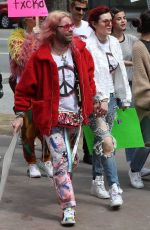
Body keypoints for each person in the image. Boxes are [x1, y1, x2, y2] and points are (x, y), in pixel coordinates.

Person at [12, 10, 96, 226]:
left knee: (71, 162)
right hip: (51, 118)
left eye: (71, 26)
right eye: (65, 27)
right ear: (53, 30)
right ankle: (68, 207)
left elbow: (89, 77)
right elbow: (24, 89)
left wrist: (92, 100)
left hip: (75, 116)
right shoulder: (40, 58)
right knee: (59, 162)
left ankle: (63, 184)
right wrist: (21, 114)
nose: (70, 30)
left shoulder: (80, 51)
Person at [86, 5, 131, 208]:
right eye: (104, 21)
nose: (109, 24)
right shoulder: (87, 46)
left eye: (109, 20)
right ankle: (114, 188)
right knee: (107, 142)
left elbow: (119, 71)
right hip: (95, 101)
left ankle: (96, 181)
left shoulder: (113, 42)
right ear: (94, 24)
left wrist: (123, 97)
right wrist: (99, 98)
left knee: (100, 142)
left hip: (112, 98)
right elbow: (89, 77)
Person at [8, 17, 53, 178]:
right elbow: (22, 59)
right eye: (34, 17)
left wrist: (42, 38)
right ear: (26, 19)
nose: (38, 20)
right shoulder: (17, 38)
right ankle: (31, 163)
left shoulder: (47, 36)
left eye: (41, 17)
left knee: (48, 128)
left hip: (45, 89)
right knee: (28, 130)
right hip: (27, 90)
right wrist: (33, 39)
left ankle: (47, 160)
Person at [128, 10, 150, 189]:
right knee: (146, 142)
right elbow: (141, 79)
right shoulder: (139, 46)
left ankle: (139, 166)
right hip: (148, 102)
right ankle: (134, 169)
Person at [70, 0, 93, 164]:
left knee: (87, 110)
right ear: (71, 8)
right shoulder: (65, 24)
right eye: (77, 8)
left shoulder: (88, 27)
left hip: (85, 72)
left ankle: (88, 150)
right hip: (69, 72)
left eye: (83, 9)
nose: (80, 12)